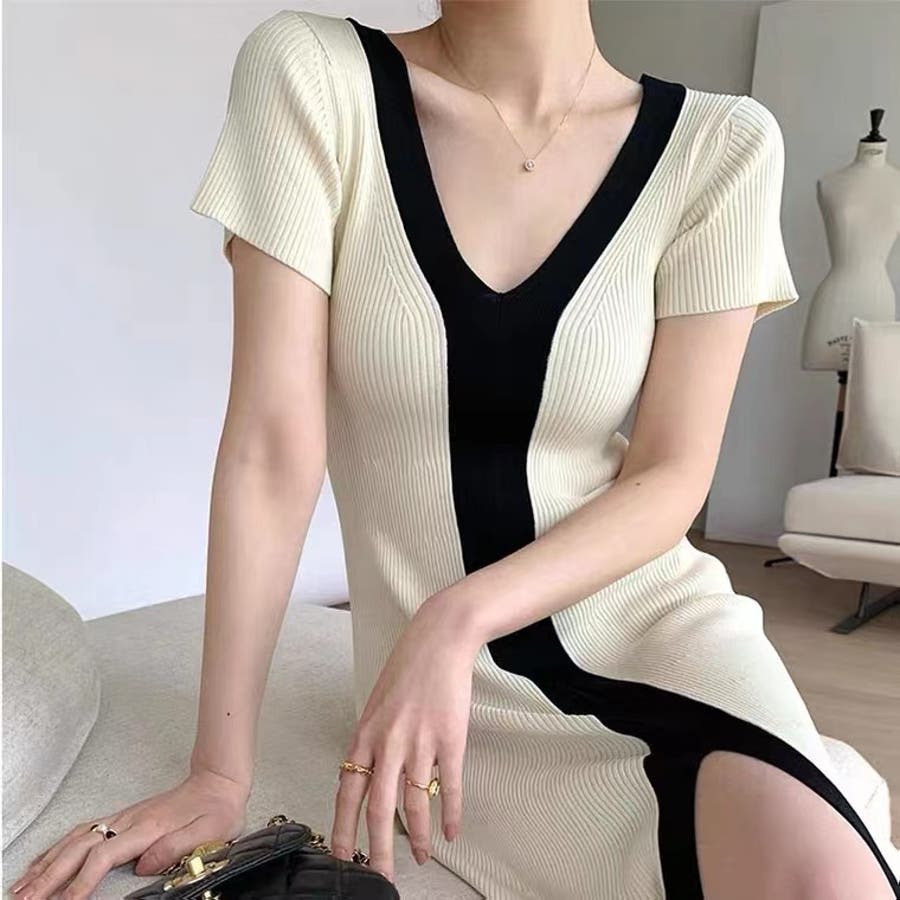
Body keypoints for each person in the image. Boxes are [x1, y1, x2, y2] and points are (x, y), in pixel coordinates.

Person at [11, 2, 900, 899]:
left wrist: (457, 616)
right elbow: (271, 450)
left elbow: (672, 472)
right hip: (469, 704)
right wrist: (218, 772)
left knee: (830, 881)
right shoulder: (315, 77)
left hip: (660, 628)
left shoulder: (721, 144)